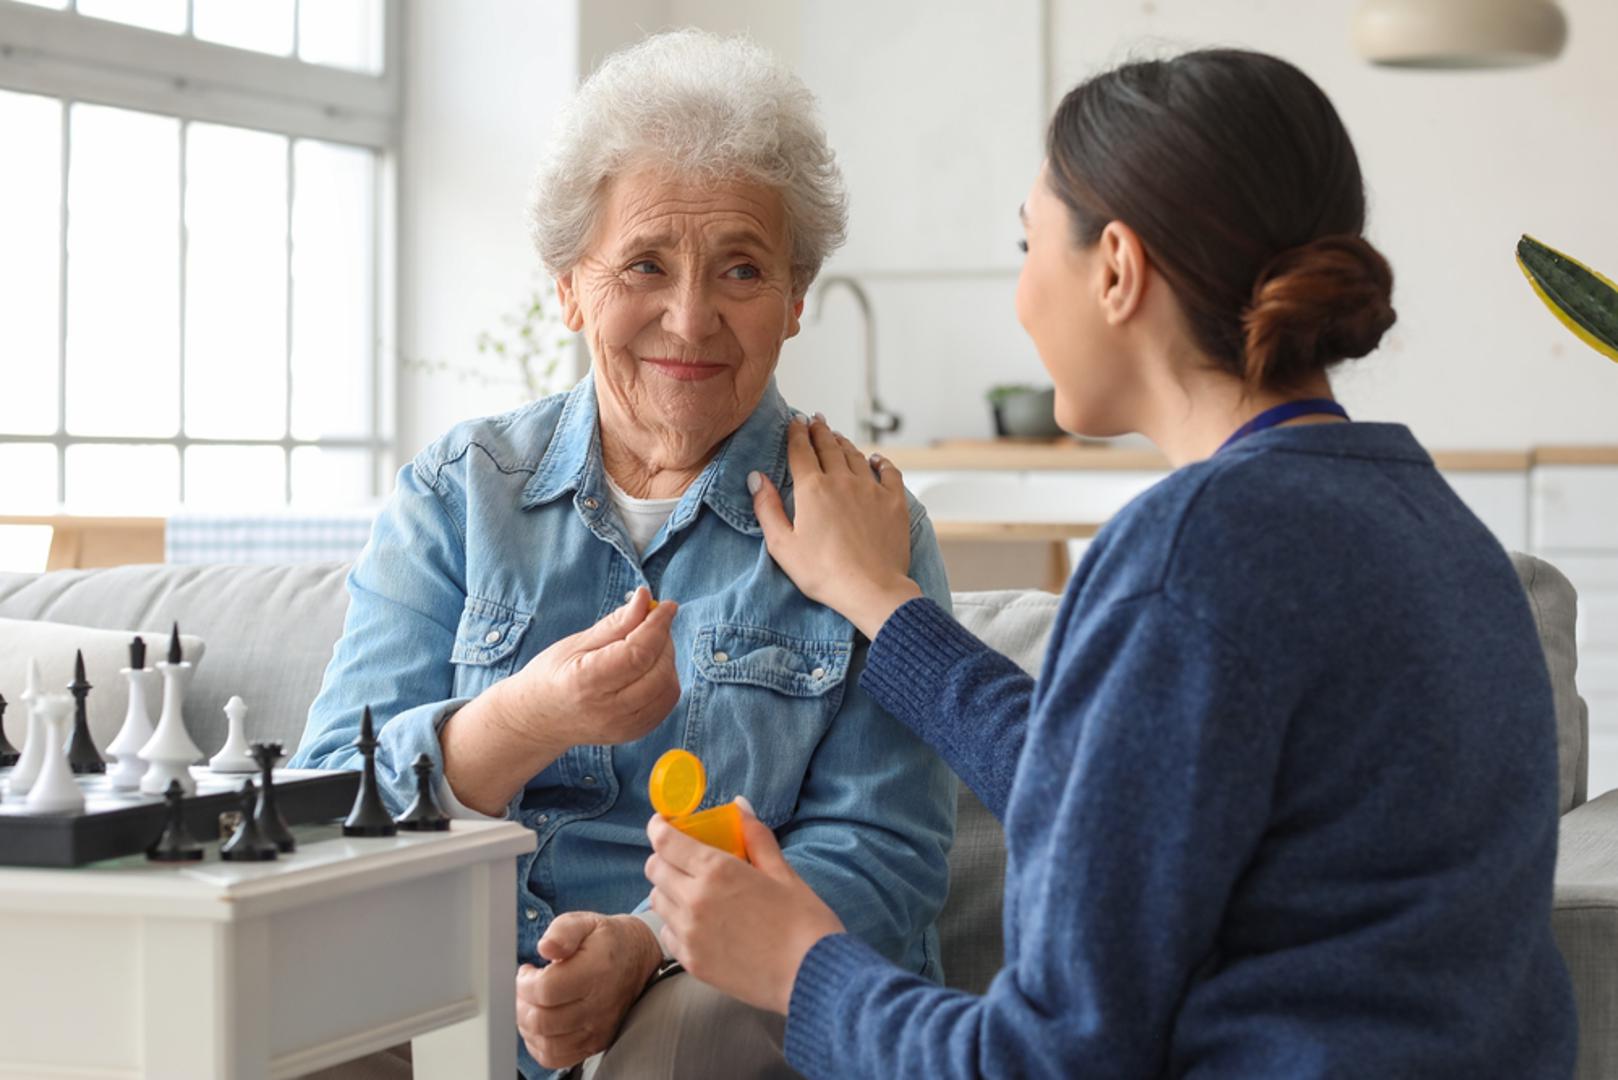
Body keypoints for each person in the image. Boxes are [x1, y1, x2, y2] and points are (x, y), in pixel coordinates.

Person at [643, 48, 1578, 1077]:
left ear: (1118, 268)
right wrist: (881, 602)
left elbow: (1044, 1062)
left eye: (1025, 245)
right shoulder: (1434, 527)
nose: (1019, 298)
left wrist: (796, 962)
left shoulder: (1189, 554)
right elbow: (1113, 789)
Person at [290, 30, 955, 1080]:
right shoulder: (455, 497)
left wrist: (648, 945)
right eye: (644, 263)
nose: (690, 318)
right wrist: (521, 719)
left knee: (698, 1030)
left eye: (740, 268)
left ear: (792, 299)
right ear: (569, 289)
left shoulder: (866, 523)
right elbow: (326, 799)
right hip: (458, 998)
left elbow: (885, 854)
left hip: (709, 1010)